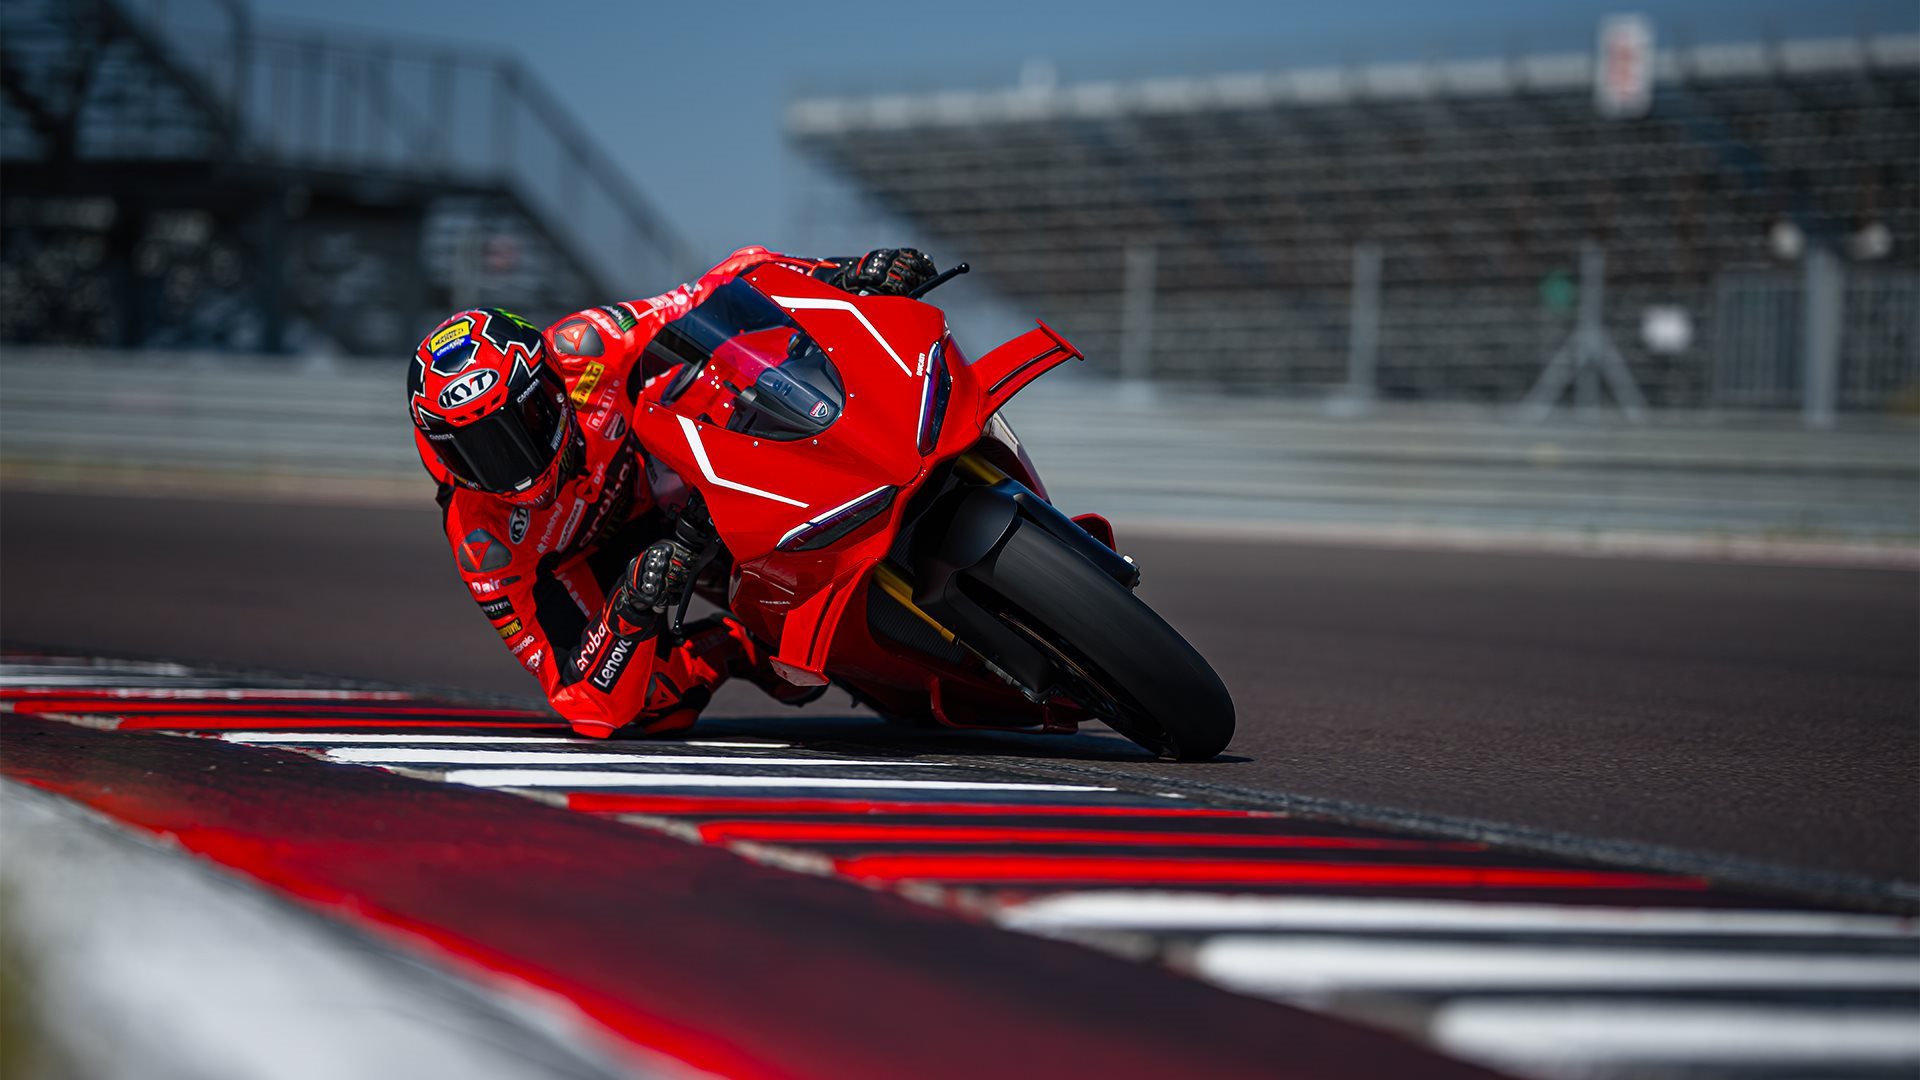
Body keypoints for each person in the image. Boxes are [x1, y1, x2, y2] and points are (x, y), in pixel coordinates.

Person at [406, 246, 938, 738]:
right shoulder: (482, 543)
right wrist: (629, 608)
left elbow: (713, 290)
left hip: (675, 460)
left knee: (739, 357)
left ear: (551, 385)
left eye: (524, 422)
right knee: (649, 707)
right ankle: (736, 647)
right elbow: (576, 698)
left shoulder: (587, 346)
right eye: (480, 453)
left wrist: (843, 273)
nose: (515, 466)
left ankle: (873, 439)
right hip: (613, 565)